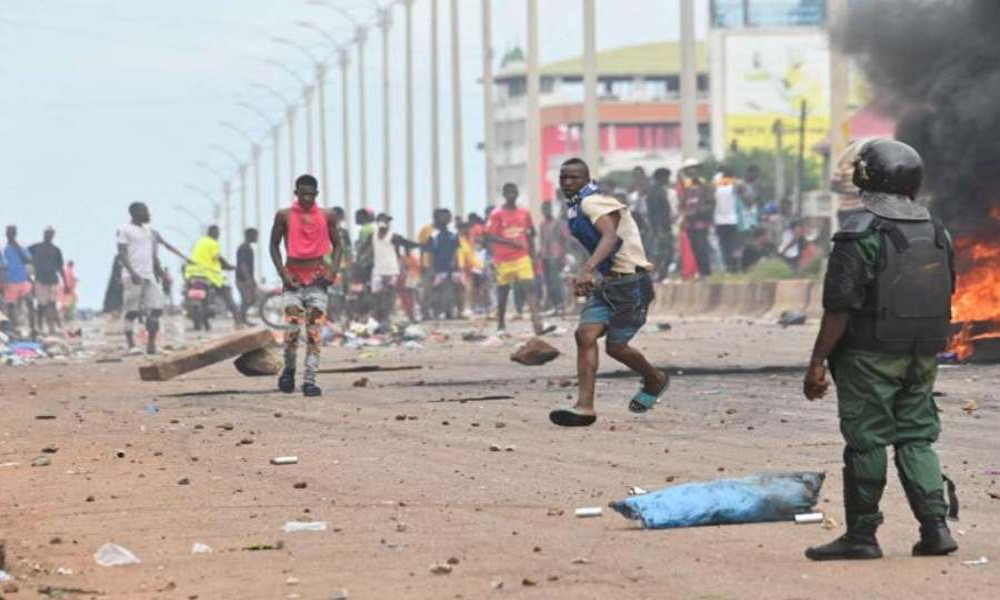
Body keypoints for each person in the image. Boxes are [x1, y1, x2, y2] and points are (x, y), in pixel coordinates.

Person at [803, 139, 958, 561]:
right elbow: (950, 289)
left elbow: (838, 308)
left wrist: (817, 361)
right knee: (916, 438)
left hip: (868, 356)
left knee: (867, 441)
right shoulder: (936, 229)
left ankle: (862, 536)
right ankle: (936, 529)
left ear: (865, 177)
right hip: (922, 353)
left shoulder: (859, 231)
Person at [549, 158, 668, 428]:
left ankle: (655, 378)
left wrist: (587, 269)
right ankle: (585, 407)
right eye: (563, 178)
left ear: (586, 179)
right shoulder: (576, 207)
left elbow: (610, 237)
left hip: (631, 284)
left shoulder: (593, 202)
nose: (567, 183)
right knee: (585, 334)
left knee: (616, 348)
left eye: (574, 178)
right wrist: (591, 273)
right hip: (608, 284)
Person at [270, 174, 340, 397]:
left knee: (314, 333)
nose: (307, 198)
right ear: (296, 193)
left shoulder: (327, 215)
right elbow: (273, 246)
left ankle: (310, 380)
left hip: (318, 281)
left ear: (316, 194)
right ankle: (289, 370)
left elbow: (338, 245)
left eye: (311, 194)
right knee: (291, 331)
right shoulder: (284, 215)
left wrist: (332, 272)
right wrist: (283, 275)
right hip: (293, 281)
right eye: (303, 194)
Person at [116, 202, 189, 354]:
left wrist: (162, 273)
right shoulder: (124, 229)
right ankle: (131, 345)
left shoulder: (149, 231)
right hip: (132, 276)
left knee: (156, 309)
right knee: (132, 311)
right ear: (135, 213)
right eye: (145, 211)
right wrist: (132, 272)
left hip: (149, 275)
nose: (149, 214)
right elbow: (121, 253)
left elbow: (152, 255)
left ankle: (151, 345)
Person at [484, 183, 548, 335]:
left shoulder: (524, 213)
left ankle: (537, 324)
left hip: (522, 257)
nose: (511, 194)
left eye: (514, 191)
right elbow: (490, 236)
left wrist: (533, 255)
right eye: (508, 191)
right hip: (503, 259)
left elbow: (531, 234)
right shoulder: (496, 214)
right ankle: (500, 325)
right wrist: (510, 242)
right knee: (503, 292)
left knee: (530, 287)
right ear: (504, 194)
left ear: (518, 193)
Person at [184, 225, 241, 327]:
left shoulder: (200, 241)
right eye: (217, 232)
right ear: (213, 233)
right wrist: (228, 266)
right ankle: (237, 320)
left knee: (192, 295)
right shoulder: (213, 243)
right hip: (208, 274)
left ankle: (199, 319)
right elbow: (218, 258)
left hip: (192, 273)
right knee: (226, 294)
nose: (218, 235)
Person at [677, 158, 715, 277]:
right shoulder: (687, 188)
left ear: (698, 170)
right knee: (694, 249)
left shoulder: (706, 185)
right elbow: (683, 204)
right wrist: (683, 216)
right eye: (689, 170)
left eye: (694, 169)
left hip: (701, 222)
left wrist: (700, 212)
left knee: (702, 247)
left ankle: (706, 272)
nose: (691, 172)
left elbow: (711, 203)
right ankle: (701, 272)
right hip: (689, 223)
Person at [28, 227, 67, 335]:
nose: (48, 236)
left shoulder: (56, 250)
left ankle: (54, 327)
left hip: (53, 280)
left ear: (53, 235)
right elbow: (25, 256)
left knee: (53, 304)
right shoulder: (36, 248)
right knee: (41, 305)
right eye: (47, 233)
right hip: (40, 280)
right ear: (44, 234)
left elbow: (60, 267)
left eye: (50, 234)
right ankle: (39, 326)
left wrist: (66, 282)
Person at [424, 208, 462, 319]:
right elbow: (428, 252)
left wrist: (458, 267)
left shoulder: (453, 235)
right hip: (437, 268)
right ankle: (436, 312)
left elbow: (456, 251)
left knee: (452, 290)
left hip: (451, 268)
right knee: (437, 292)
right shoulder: (433, 236)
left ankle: (450, 311)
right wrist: (429, 268)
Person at [3, 225, 36, 337]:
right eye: (9, 232)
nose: (11, 235)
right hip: (10, 281)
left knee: (30, 302)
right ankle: (13, 328)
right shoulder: (4, 249)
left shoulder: (21, 248)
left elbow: (28, 259)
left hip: (23, 280)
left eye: (13, 232)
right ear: (6, 234)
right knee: (11, 306)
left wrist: (17, 245)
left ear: (15, 234)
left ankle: (33, 328)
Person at [538, 201, 570, 314]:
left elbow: (566, 240)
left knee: (556, 282)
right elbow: (541, 240)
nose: (546, 210)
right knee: (548, 282)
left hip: (556, 256)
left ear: (551, 209)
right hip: (545, 256)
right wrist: (540, 253)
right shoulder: (542, 225)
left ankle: (560, 305)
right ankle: (555, 306)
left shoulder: (559, 223)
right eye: (544, 208)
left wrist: (564, 255)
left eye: (548, 208)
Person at [646, 168, 676, 280]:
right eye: (666, 177)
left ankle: (660, 276)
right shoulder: (654, 193)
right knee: (660, 254)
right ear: (660, 178)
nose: (668, 179)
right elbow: (655, 214)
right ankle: (656, 276)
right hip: (660, 229)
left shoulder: (660, 191)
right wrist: (659, 230)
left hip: (664, 227)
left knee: (667, 254)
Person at [713, 164, 741, 272]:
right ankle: (732, 266)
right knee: (732, 245)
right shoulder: (735, 184)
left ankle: (726, 266)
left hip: (719, 220)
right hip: (732, 219)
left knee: (723, 245)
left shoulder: (716, 184)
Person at [236, 228, 259, 325]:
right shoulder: (244, 248)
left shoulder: (247, 247)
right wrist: (248, 279)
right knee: (246, 299)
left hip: (246, 278)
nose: (257, 237)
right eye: (255, 235)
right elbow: (243, 264)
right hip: (243, 279)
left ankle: (241, 319)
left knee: (250, 299)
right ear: (250, 236)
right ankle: (241, 320)